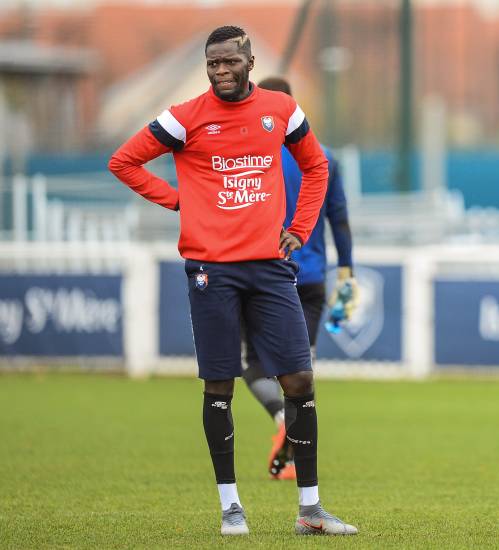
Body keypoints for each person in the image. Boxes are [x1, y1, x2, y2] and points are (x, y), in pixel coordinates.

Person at [108, 25, 358, 537]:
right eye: (212, 64)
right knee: (218, 385)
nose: (220, 71)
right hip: (211, 270)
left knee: (300, 380)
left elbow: (317, 168)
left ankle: (310, 510)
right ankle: (231, 509)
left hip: (270, 267)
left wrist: (300, 229)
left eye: (229, 62)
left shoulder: (282, 111)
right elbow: (123, 161)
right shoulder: (184, 117)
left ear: (248, 60)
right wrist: (178, 200)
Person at [240, 75, 357, 482]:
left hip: (264, 274)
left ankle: (279, 420)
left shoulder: (256, 156)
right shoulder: (324, 157)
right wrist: (348, 272)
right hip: (310, 280)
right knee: (299, 370)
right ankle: (291, 457)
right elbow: (339, 220)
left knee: (253, 365)